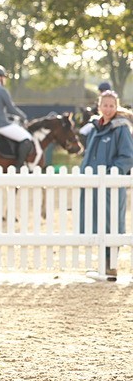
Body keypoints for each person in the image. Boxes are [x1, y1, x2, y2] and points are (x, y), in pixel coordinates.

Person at [78, 91, 133, 282]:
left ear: (116, 106)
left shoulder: (121, 128)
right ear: (99, 106)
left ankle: (112, 266)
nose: (108, 109)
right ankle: (102, 264)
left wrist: (111, 175)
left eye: (111, 105)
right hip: (92, 185)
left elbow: (127, 157)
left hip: (111, 187)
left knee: (111, 224)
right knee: (95, 223)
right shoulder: (95, 127)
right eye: (105, 105)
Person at [0, 65, 34, 168]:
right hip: (0, 124)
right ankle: (19, 167)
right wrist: (23, 117)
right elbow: (11, 108)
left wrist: (10, 117)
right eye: (4, 76)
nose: (5, 79)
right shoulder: (1, 90)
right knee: (27, 138)